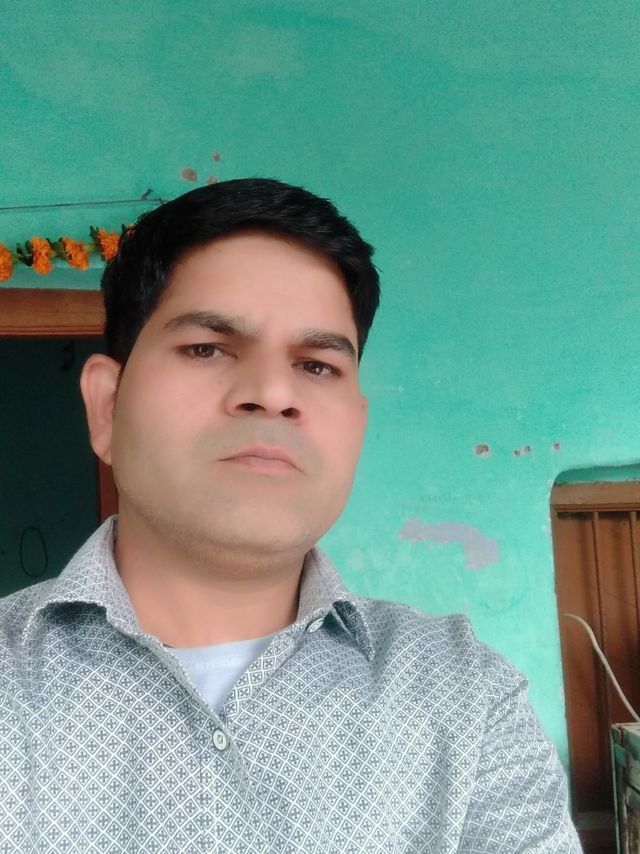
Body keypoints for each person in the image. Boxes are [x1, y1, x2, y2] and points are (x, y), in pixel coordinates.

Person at [0, 178, 581, 853]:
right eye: (207, 348)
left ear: (356, 426)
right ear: (106, 407)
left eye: (317, 365)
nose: (274, 392)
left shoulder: (467, 696)